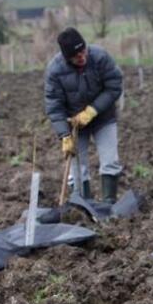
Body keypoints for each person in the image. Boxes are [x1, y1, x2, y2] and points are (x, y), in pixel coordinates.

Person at [44, 27, 123, 203]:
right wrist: (64, 135)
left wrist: (93, 110)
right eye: (76, 55)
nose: (82, 57)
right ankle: (82, 204)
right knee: (78, 169)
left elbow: (114, 85)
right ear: (67, 57)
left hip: (103, 117)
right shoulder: (55, 70)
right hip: (74, 123)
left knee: (110, 161)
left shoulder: (100, 57)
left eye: (83, 51)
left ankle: (109, 204)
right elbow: (54, 106)